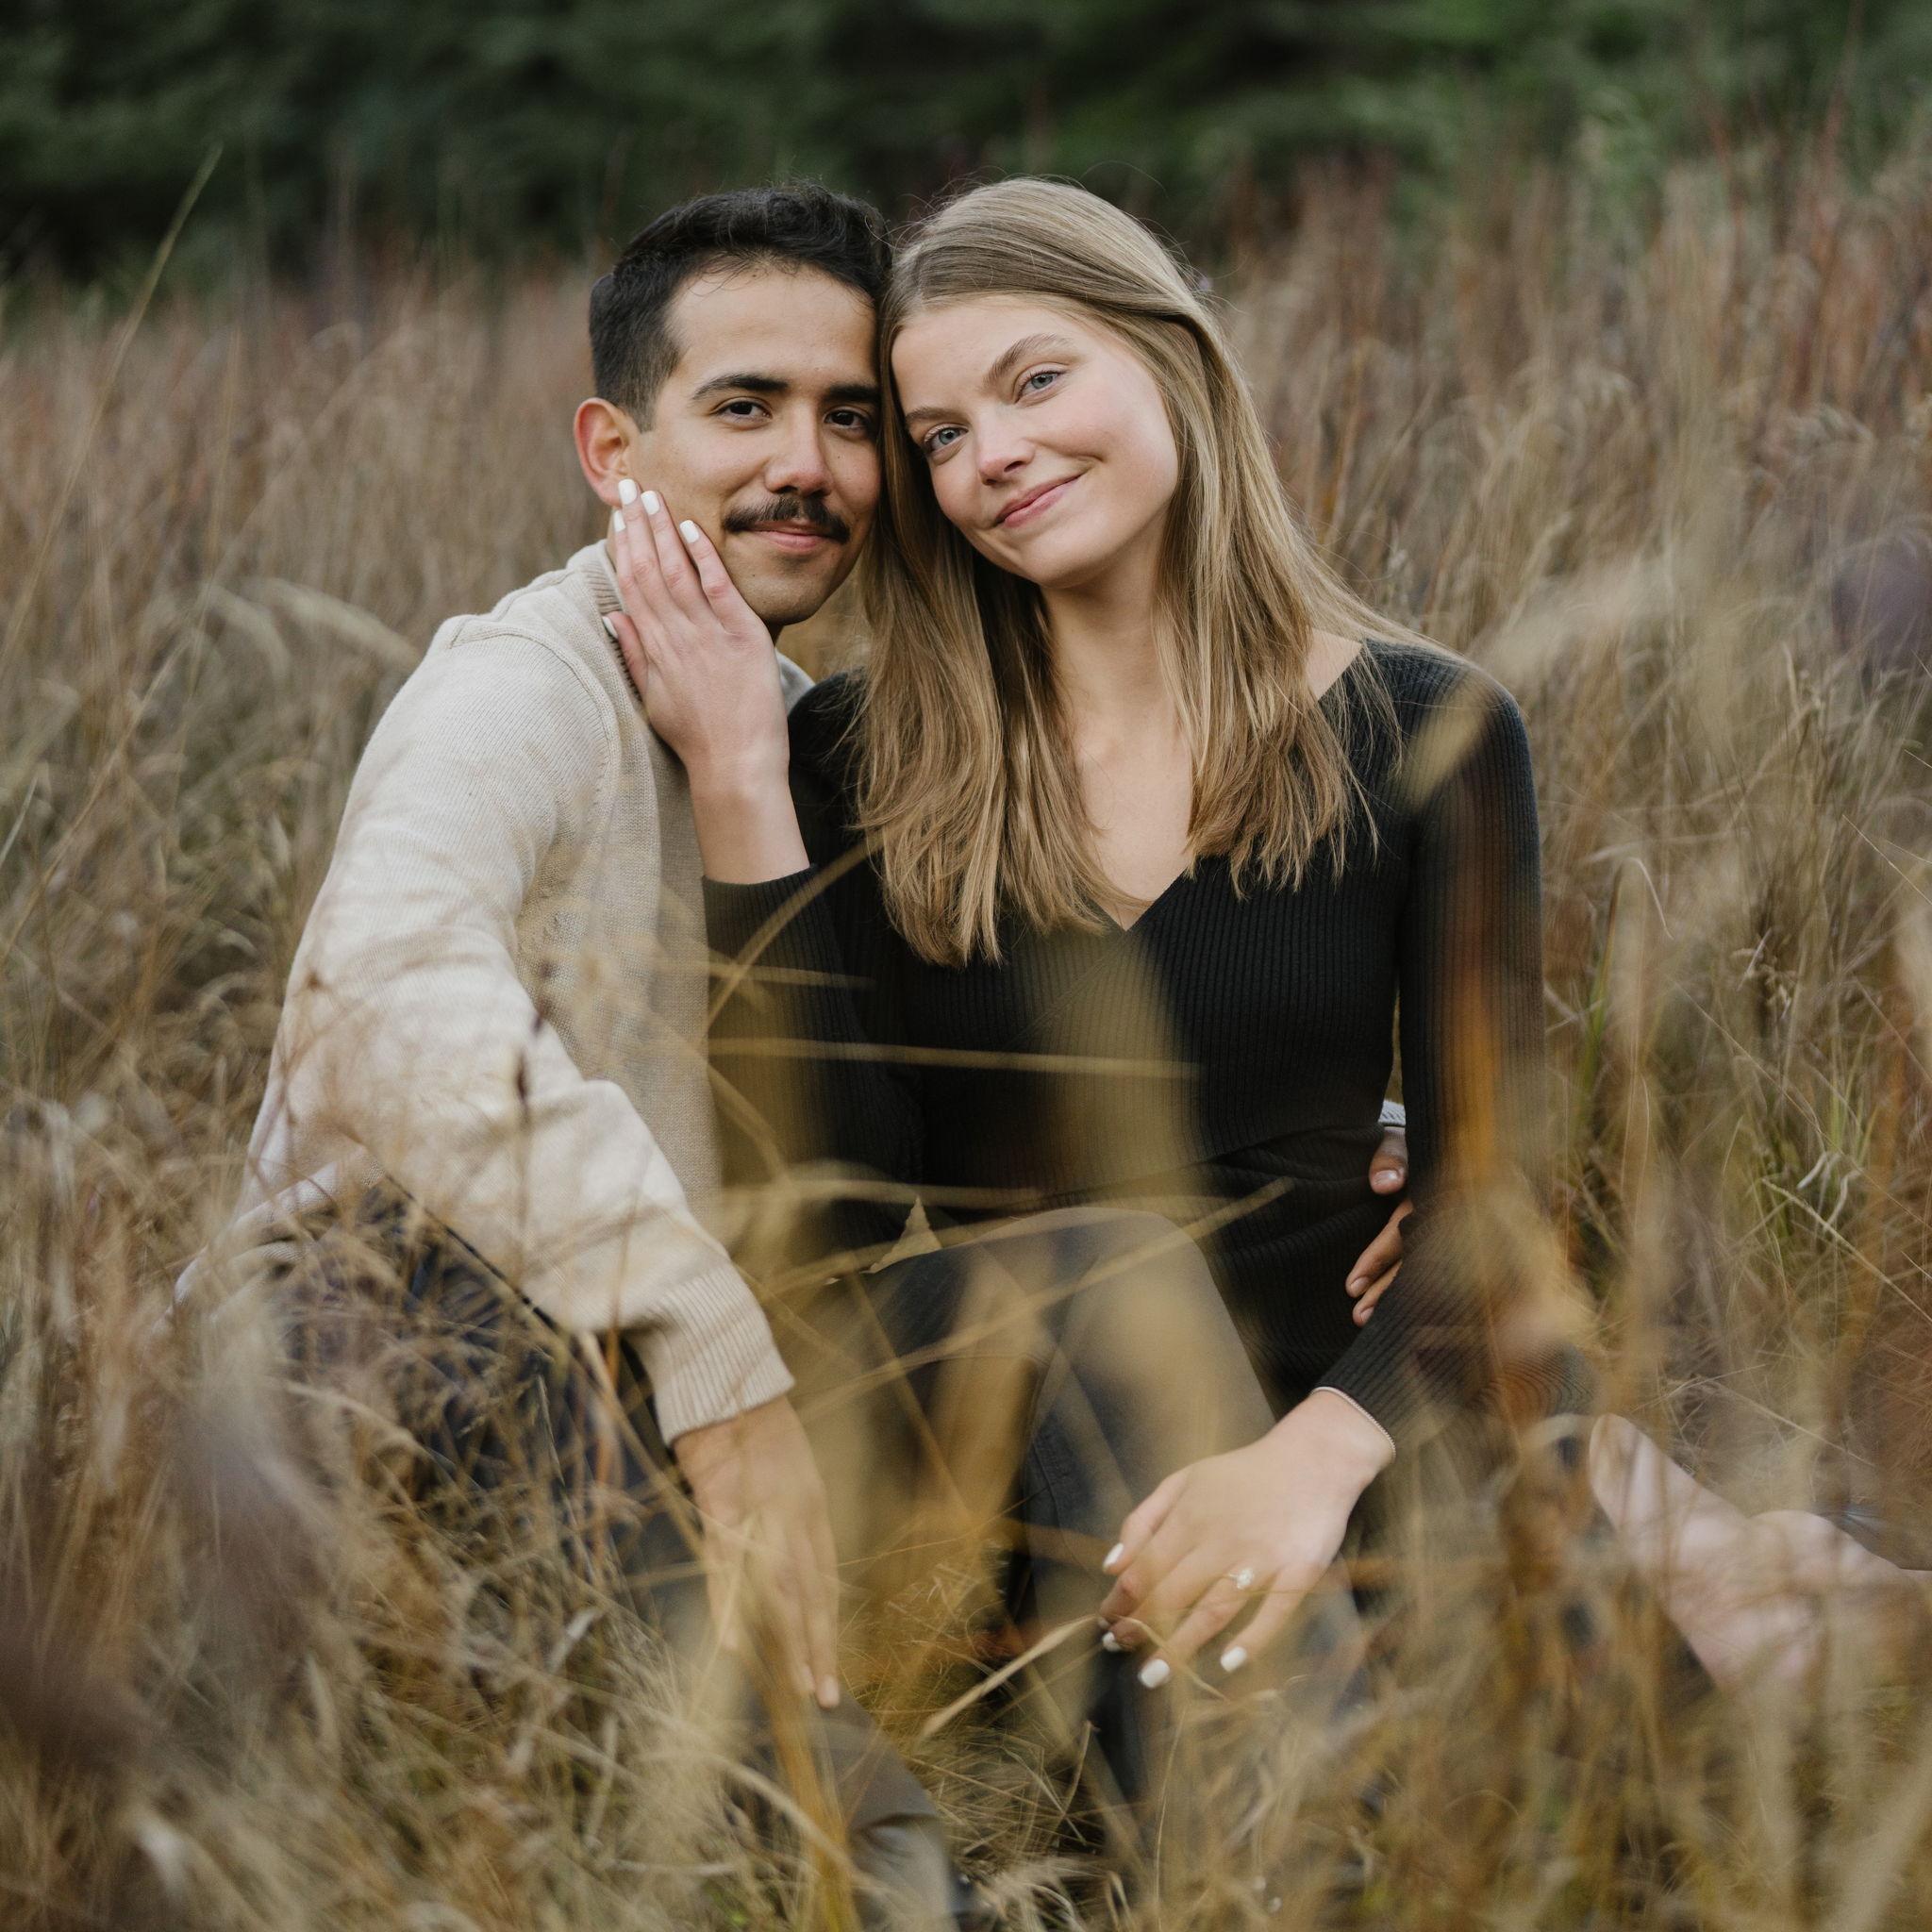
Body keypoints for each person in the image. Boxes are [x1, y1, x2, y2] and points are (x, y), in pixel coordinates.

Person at [181, 178, 1417, 1911]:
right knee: (842, 1836)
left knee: (1099, 1281)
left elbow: (927, 1095)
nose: (808, 467)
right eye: (745, 408)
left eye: (851, 420)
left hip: (701, 1384)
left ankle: (1287, 1864)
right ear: (615, 447)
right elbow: (379, 998)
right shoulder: (521, 688)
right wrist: (707, 1349)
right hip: (415, 1359)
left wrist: (1364, 1123)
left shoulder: (793, 738)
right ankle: (876, 1863)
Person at [603, 175, 1591, 1850]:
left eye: (1037, 381)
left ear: (1171, 360)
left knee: (1644, 1704)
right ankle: (1292, 1857)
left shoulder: (1432, 728)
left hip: (1337, 1417)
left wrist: (1311, 1461)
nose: (991, 453)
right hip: (1024, 1446)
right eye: (938, 434)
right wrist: (745, 793)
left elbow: (1493, 1192)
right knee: (1119, 1310)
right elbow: (826, 1216)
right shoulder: (865, 756)